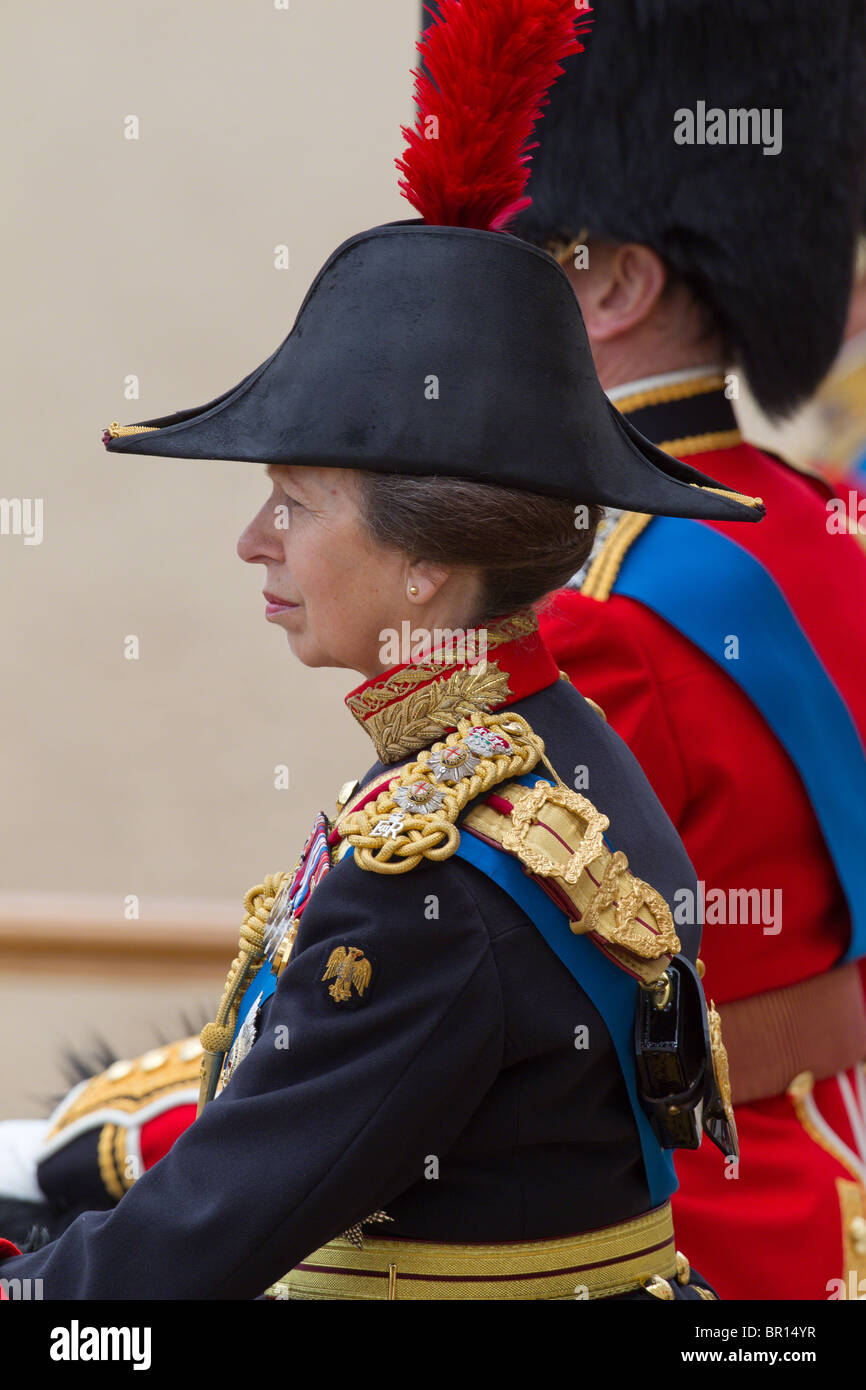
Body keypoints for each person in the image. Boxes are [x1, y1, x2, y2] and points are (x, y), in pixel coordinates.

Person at [0, 0, 755, 1301]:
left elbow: (182, 1260)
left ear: (424, 566)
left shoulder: (433, 871)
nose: (252, 541)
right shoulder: (545, 753)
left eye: (293, 501)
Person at [508, 0, 866, 1300]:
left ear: (612, 279)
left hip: (684, 1240)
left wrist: (123, 1141)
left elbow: (496, 1033)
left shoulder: (590, 607)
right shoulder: (824, 524)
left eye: (513, 254)